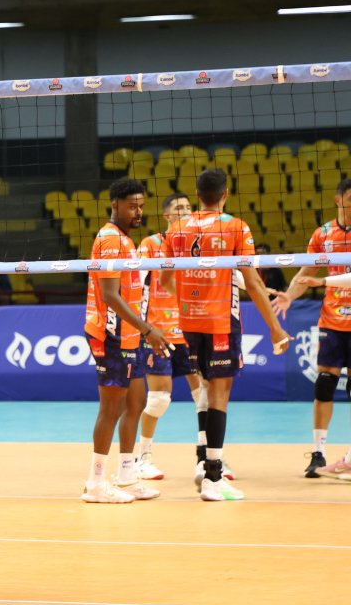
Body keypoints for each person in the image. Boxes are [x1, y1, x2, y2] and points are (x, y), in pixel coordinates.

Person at [165, 168, 290, 501]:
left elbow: (165, 280)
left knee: (205, 391)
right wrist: (276, 329)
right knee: (219, 394)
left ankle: (202, 462)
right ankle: (213, 477)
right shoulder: (236, 226)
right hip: (220, 321)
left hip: (188, 322)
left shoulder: (176, 228)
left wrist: (189, 297)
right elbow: (253, 282)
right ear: (226, 194)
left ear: (197, 194)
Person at [80, 179, 165, 504]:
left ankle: (127, 474)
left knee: (136, 402)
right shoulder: (111, 239)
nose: (138, 211)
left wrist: (141, 330)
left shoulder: (127, 239)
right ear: (115, 204)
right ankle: (95, 482)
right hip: (110, 333)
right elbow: (110, 295)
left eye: (141, 205)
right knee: (111, 407)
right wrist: (148, 329)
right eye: (132, 206)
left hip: (129, 334)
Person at [272, 177, 351, 479]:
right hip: (332, 320)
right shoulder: (324, 234)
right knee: (324, 384)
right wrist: (288, 296)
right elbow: (305, 273)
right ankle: (318, 453)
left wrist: (321, 282)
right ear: (338, 200)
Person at [134, 193, 207, 481]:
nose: (185, 211)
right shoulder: (151, 244)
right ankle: (143, 458)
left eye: (189, 207)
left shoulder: (197, 246)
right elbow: (135, 281)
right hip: (158, 332)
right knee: (159, 400)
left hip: (188, 329)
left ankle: (208, 456)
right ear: (167, 216)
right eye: (179, 208)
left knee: (203, 395)